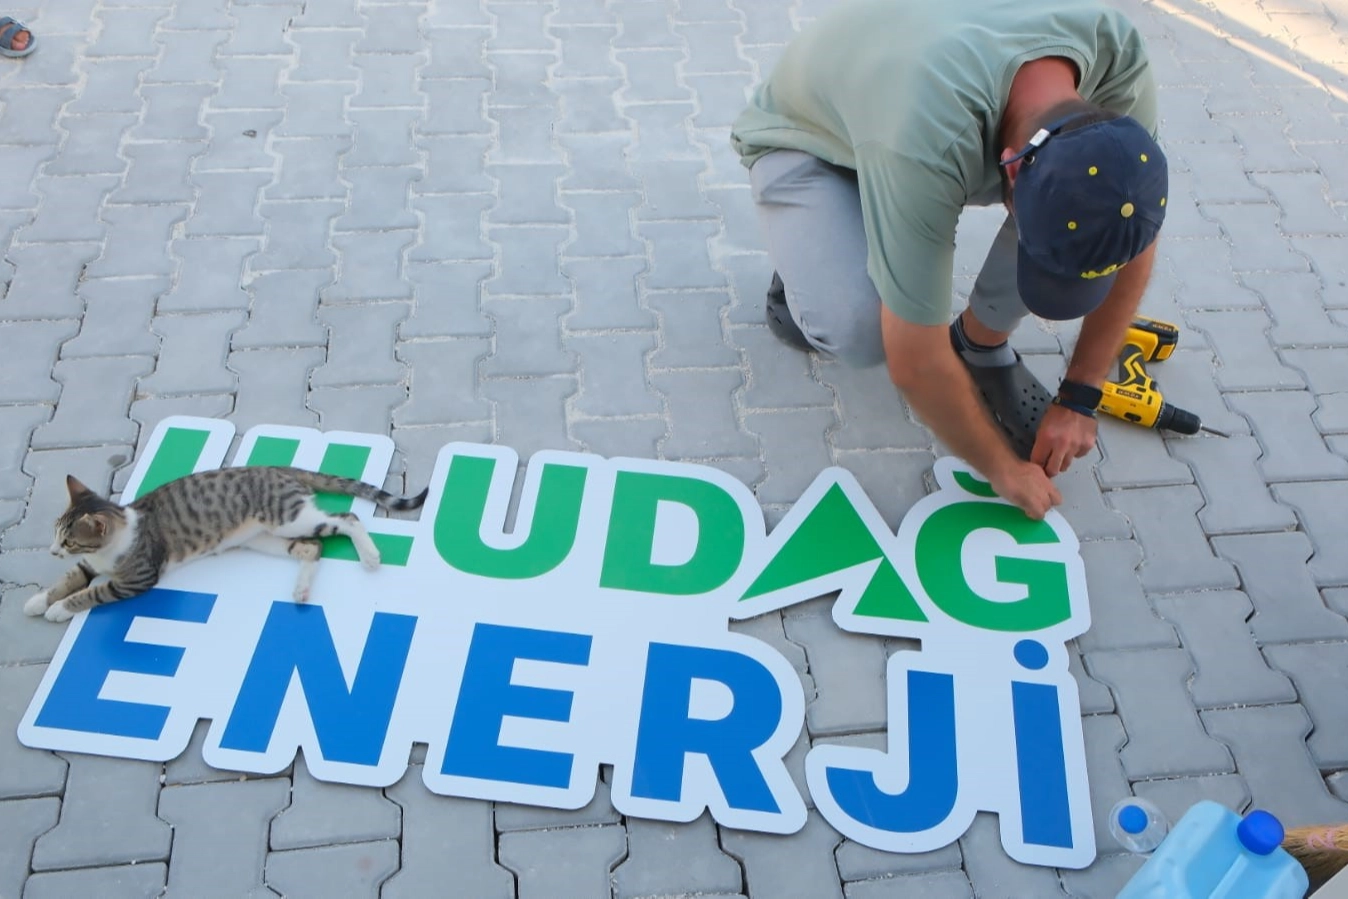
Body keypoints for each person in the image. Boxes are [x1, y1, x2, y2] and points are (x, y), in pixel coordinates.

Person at [731, 0, 1168, 521]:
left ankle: (978, 346)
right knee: (864, 330)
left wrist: (1081, 394)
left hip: (900, 101)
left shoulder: (1117, 62)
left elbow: (1132, 231)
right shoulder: (928, 139)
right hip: (810, 139)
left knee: (1077, 217)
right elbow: (914, 361)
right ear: (1008, 171)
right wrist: (1003, 471)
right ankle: (808, 257)